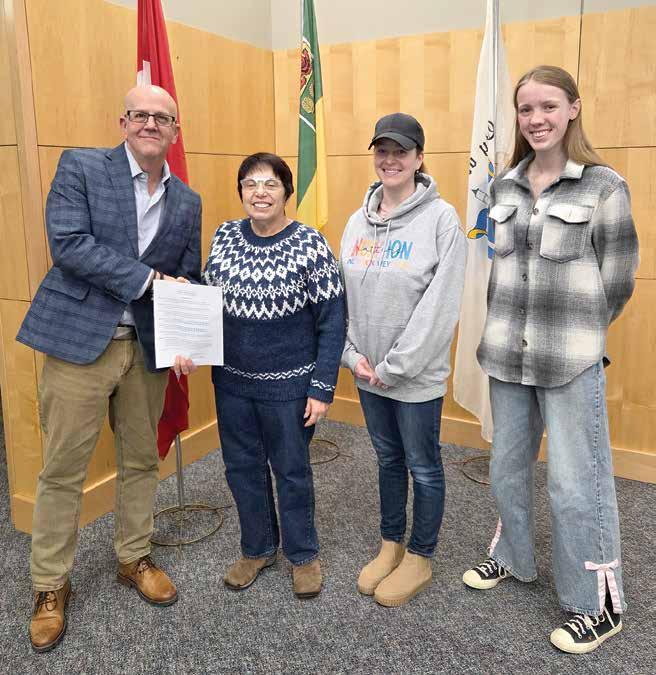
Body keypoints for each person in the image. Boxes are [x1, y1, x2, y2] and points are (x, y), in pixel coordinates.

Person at [17, 85, 202, 652]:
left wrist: (186, 323)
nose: (150, 123)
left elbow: (188, 273)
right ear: (123, 122)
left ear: (175, 131)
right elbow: (69, 244)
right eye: (140, 114)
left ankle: (134, 556)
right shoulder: (81, 167)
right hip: (80, 342)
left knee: (142, 459)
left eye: (162, 117)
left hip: (146, 348)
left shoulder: (187, 200)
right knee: (62, 470)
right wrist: (149, 281)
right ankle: (50, 585)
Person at [462, 66, 639, 654]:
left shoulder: (603, 187)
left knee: (574, 484)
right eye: (525, 109)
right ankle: (513, 557)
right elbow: (498, 268)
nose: (536, 119)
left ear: (573, 109)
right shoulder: (503, 188)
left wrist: (579, 331)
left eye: (548, 107)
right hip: (505, 356)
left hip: (569, 361)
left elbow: (618, 280)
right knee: (506, 468)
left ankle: (596, 604)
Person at [202, 152, 345, 599]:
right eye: (250, 184)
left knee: (291, 471)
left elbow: (333, 321)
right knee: (241, 468)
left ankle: (303, 555)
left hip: (290, 387)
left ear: (286, 192)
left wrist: (322, 387)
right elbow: (206, 298)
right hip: (231, 383)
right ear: (241, 192)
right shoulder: (225, 236)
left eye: (270, 184)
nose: (259, 192)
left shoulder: (309, 243)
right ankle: (258, 548)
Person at [340, 113, 466, 607]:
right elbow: (342, 297)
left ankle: (420, 555)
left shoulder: (442, 219)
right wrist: (352, 356)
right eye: (383, 151)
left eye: (401, 151)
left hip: (413, 376)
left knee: (424, 466)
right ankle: (391, 543)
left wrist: (394, 367)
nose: (390, 160)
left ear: (419, 158)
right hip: (366, 373)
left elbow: (441, 307)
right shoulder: (357, 221)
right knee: (388, 459)